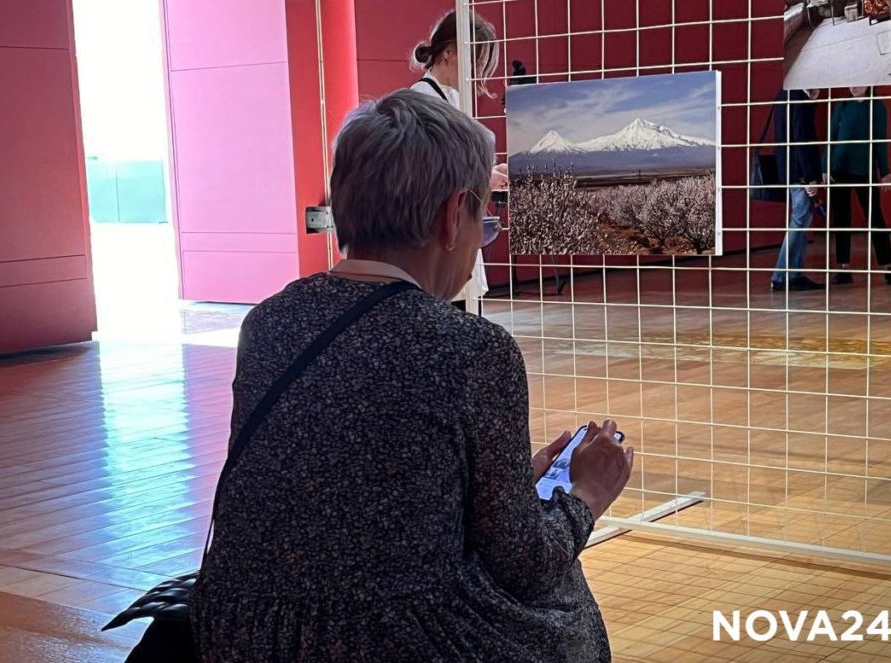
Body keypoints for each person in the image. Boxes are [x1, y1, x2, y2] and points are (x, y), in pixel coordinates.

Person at [191, 89, 633, 663]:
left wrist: (501, 485)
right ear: (453, 216)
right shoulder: (472, 349)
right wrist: (588, 494)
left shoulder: (269, 322)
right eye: (484, 220)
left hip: (239, 628)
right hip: (387, 640)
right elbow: (525, 565)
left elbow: (343, 501)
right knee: (562, 603)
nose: (481, 240)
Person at [411, 10, 507, 314]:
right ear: (449, 54)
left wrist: (488, 173)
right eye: (475, 61)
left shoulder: (450, 98)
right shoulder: (421, 102)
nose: (477, 72)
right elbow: (428, 174)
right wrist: (483, 177)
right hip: (437, 239)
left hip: (455, 234)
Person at [825, 86, 891, 286]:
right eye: (851, 82)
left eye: (859, 82)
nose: (854, 87)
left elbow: (880, 140)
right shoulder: (842, 105)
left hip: (864, 168)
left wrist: (884, 171)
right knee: (841, 218)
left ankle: (888, 266)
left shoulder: (877, 107)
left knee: (874, 216)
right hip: (839, 168)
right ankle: (843, 268)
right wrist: (825, 167)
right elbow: (831, 137)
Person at [770, 88, 825, 292]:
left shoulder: (782, 95)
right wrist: (810, 176)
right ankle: (781, 276)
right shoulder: (799, 98)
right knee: (799, 221)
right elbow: (803, 139)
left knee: (801, 222)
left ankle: (794, 275)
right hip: (800, 172)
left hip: (789, 170)